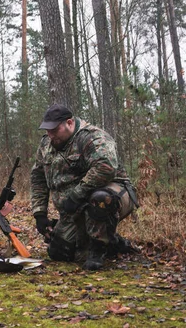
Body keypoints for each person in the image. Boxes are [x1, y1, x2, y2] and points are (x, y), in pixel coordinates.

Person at [31, 104, 138, 270]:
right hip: (75, 207)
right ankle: (114, 243)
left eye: (55, 129)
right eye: (47, 130)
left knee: (101, 198)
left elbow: (106, 167)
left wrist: (76, 194)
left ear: (70, 122)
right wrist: (39, 213)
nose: (50, 135)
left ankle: (98, 248)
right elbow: (38, 176)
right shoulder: (47, 144)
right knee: (59, 252)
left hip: (114, 193)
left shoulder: (92, 137)